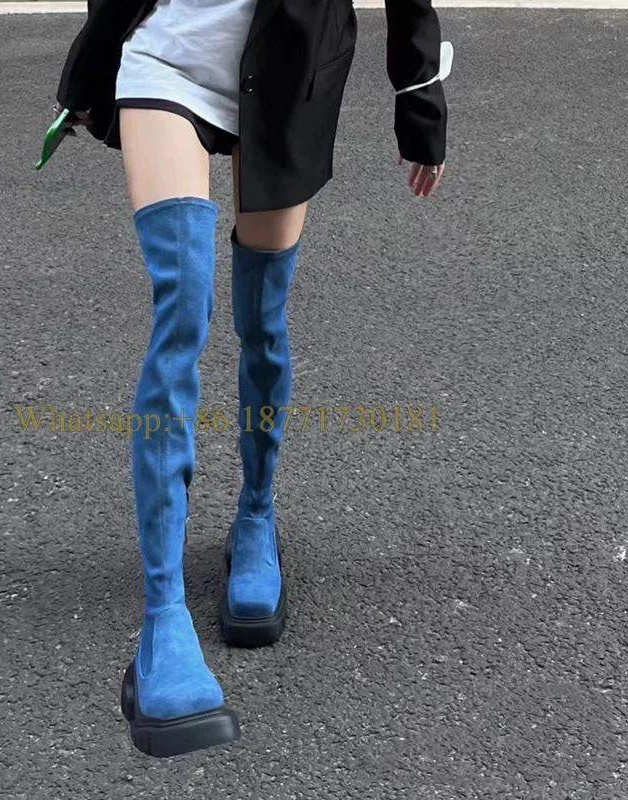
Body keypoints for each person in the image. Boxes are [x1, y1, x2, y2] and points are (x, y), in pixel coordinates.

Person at [50, 0, 450, 758]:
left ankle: (255, 518)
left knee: (262, 320)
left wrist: (418, 93)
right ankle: (163, 620)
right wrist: (91, 63)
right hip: (166, 57)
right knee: (182, 308)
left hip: (291, 72)